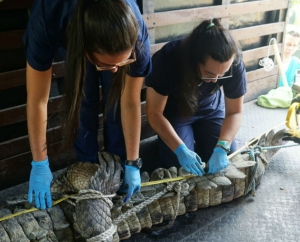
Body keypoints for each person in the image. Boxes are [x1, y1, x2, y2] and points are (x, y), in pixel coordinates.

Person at [23, 0, 151, 209]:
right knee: (84, 96)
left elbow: (130, 102)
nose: (116, 70)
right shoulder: (48, 17)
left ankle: (116, 170)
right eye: (107, 64)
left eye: (123, 62)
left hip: (113, 30)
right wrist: (39, 163)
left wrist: (133, 162)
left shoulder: (138, 35)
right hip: (71, 24)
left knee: (116, 97)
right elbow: (38, 100)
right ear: (84, 50)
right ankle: (87, 168)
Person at [145, 19, 246, 175]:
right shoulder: (169, 58)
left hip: (210, 107)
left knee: (229, 156)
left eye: (222, 74)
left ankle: (205, 142)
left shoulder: (235, 62)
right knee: (177, 166)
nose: (215, 80)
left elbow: (235, 112)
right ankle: (174, 144)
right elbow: (154, 113)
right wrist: (180, 150)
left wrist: (222, 146)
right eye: (209, 73)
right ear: (195, 61)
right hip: (177, 112)